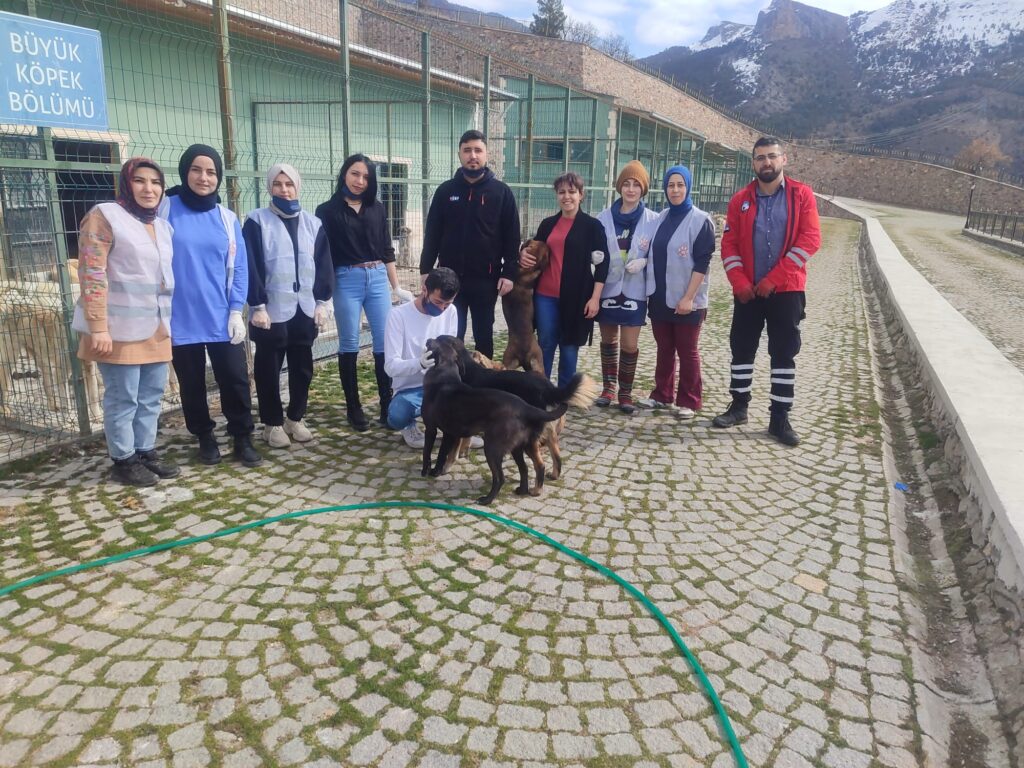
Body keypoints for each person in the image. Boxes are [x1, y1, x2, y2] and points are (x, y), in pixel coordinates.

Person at [73, 157, 178, 486]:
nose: (149, 189)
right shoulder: (104, 216)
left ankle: (144, 451)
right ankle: (123, 459)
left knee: (151, 395)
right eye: (140, 181)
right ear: (126, 184)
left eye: (156, 182)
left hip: (156, 327)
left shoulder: (162, 225)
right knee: (123, 398)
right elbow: (91, 273)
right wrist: (98, 326)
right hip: (116, 330)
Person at [713, 136, 821, 446]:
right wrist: (739, 283)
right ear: (753, 163)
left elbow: (810, 240)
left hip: (786, 291)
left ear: (784, 159)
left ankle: (779, 418)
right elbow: (729, 245)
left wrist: (775, 278)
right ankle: (739, 407)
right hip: (748, 292)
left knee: (784, 353)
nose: (767, 162)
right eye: (760, 157)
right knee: (742, 349)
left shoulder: (802, 195)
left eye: (772, 156)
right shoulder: (740, 200)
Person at [161, 144, 261, 467]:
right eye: (196, 170)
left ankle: (242, 436)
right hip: (180, 316)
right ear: (184, 172)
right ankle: (204, 435)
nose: (204, 178)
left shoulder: (226, 218)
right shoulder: (165, 209)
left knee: (235, 378)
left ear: (218, 177)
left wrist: (236, 310)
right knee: (191, 383)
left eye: (211, 172)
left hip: (220, 315)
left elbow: (240, 267)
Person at [316, 154, 414, 432]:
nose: (360, 181)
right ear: (344, 174)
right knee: (349, 342)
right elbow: (323, 255)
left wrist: (396, 287)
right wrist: (324, 295)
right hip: (346, 279)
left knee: (384, 343)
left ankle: (386, 403)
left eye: (366, 177)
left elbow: (387, 249)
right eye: (355, 174)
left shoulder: (377, 208)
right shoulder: (327, 211)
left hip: (378, 278)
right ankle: (353, 407)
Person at [243, 164, 333, 449]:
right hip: (271, 311)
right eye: (278, 184)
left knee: (302, 368)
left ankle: (295, 418)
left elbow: (323, 265)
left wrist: (322, 302)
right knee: (268, 369)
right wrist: (257, 305)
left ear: (297, 187)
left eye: (289, 184)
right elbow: (251, 265)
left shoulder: (313, 224)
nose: (284, 189)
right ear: (270, 187)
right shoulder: (256, 221)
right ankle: (272, 424)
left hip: (304, 310)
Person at [419, 129, 520, 360]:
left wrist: (509, 273)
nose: (472, 156)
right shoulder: (446, 191)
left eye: (477, 150)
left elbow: (512, 236)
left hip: (486, 279)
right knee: (452, 335)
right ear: (459, 154)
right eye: (467, 150)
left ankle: (483, 380)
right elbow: (432, 234)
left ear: (486, 154)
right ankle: (452, 378)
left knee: (484, 334)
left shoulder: (501, 192)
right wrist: (425, 270)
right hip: (450, 278)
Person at [632, 165, 715, 419]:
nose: (675, 190)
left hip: (687, 299)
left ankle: (689, 399)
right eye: (670, 185)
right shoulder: (661, 218)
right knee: (664, 348)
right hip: (659, 296)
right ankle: (662, 394)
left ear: (688, 187)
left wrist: (689, 297)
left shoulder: (701, 221)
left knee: (687, 350)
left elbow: (702, 263)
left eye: (680, 185)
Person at [520, 172, 609, 387]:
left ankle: (565, 394)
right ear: (556, 195)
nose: (566, 196)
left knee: (569, 345)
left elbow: (603, 265)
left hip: (577, 297)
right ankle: (542, 390)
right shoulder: (548, 224)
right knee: (546, 343)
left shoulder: (592, 226)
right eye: (561, 192)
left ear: (581, 195)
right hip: (545, 296)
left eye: (572, 192)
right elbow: (534, 250)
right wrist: (523, 252)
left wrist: (595, 298)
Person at [594, 160, 660, 414]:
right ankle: (608, 387)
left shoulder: (652, 220)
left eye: (636, 185)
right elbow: (595, 248)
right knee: (608, 338)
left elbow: (659, 252)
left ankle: (625, 392)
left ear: (643, 189)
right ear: (619, 187)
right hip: (609, 288)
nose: (631, 189)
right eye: (626, 184)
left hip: (635, 289)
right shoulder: (603, 219)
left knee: (630, 344)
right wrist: (594, 257)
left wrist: (646, 261)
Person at [383, 267, 459, 448]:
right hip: (410, 388)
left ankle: (459, 431)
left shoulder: (451, 311)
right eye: (438, 302)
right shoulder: (398, 316)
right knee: (397, 416)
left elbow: (452, 351)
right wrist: (419, 363)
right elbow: (390, 366)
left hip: (441, 384)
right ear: (424, 289)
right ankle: (409, 425)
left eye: (447, 304)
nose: (442, 309)